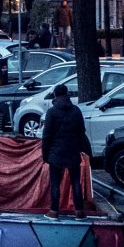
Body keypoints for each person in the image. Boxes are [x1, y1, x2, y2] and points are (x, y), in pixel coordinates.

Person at [41, 85, 88, 217]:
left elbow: (46, 136)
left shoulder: (52, 112)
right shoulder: (76, 111)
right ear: (67, 94)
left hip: (56, 153)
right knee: (75, 182)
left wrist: (45, 155)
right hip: (73, 152)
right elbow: (81, 132)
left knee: (55, 183)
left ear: (55, 95)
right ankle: (79, 211)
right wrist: (81, 149)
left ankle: (54, 211)